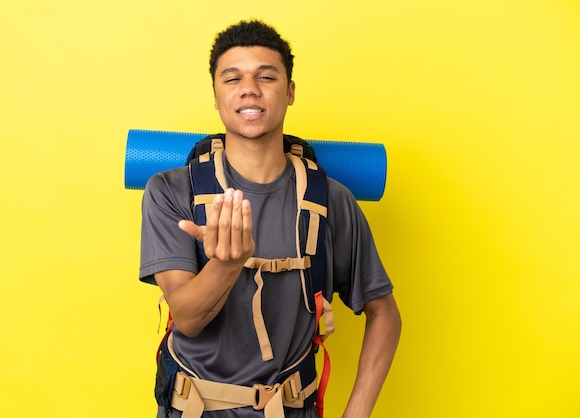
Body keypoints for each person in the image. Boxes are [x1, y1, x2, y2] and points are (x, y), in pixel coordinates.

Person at [139, 19, 401, 418]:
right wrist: (226, 264)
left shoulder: (331, 200)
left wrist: (357, 413)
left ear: (290, 91)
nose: (249, 89)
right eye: (232, 78)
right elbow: (188, 319)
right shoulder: (171, 191)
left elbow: (386, 314)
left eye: (266, 76)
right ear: (215, 94)